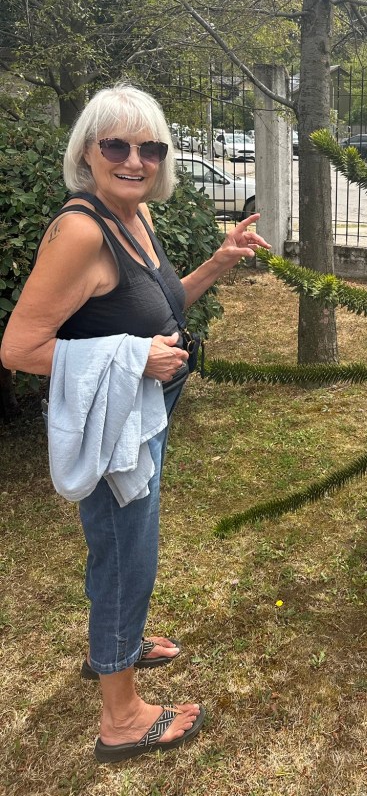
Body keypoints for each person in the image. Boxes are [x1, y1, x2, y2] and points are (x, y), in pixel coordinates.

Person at [0, 83, 270, 762]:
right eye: (115, 145)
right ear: (86, 152)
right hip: (113, 423)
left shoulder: (135, 215)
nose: (134, 160)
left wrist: (218, 262)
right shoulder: (81, 230)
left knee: (123, 547)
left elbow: (161, 307)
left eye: (150, 148)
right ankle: (120, 719)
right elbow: (19, 348)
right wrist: (131, 359)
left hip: (146, 413)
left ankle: (115, 646)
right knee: (126, 555)